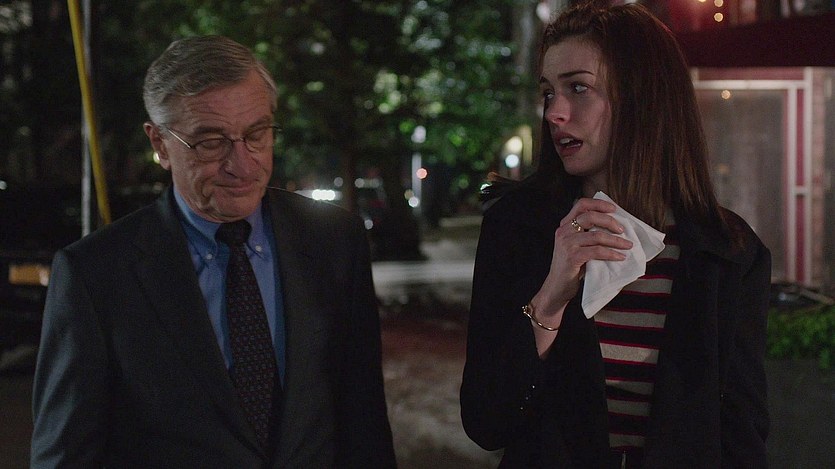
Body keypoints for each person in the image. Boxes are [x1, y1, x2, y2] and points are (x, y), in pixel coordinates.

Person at [31, 35, 396, 468]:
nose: (242, 165)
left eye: (256, 134)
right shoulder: (96, 274)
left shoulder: (335, 241)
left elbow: (364, 423)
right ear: (160, 144)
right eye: (210, 143)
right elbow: (65, 455)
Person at [460, 3, 771, 468]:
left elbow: (741, 435)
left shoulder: (725, 252)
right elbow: (486, 421)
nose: (554, 113)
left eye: (578, 88)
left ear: (643, 98)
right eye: (548, 92)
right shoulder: (518, 228)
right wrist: (550, 300)